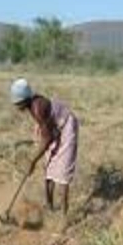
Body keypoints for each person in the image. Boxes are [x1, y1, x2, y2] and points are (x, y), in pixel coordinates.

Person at [9, 78, 79, 220]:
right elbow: (47, 134)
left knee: (63, 173)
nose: (17, 107)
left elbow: (47, 139)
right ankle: (50, 206)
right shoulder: (31, 105)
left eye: (18, 103)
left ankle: (64, 215)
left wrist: (33, 161)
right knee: (49, 170)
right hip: (54, 130)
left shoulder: (37, 107)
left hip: (66, 127)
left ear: (24, 100)